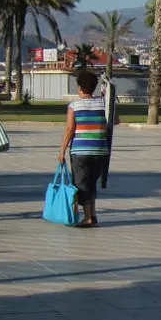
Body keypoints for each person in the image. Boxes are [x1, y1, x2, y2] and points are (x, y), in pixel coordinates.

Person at [57, 71, 117, 228]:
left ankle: (88, 218)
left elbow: (70, 129)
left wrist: (62, 150)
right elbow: (115, 120)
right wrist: (107, 99)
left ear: (80, 88)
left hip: (80, 151)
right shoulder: (102, 103)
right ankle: (93, 214)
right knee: (91, 183)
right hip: (100, 151)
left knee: (82, 184)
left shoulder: (74, 105)